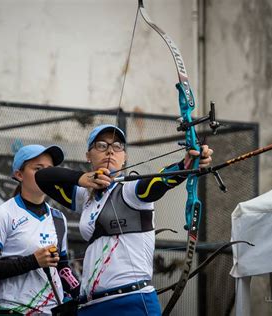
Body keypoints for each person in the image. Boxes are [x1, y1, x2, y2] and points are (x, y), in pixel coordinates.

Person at [35, 124, 213, 315]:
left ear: (125, 157)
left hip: (131, 302)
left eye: (118, 146)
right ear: (88, 155)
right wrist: (82, 179)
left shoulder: (130, 190)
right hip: (90, 306)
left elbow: (160, 181)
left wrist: (185, 165)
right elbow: (42, 177)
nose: (110, 150)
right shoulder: (85, 196)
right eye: (102, 145)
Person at [0, 144, 80, 315]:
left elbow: (63, 268)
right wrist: (33, 261)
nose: (46, 175)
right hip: (13, 310)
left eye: (50, 170)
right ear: (19, 174)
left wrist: (83, 294)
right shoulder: (3, 213)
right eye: (38, 169)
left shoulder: (59, 218)